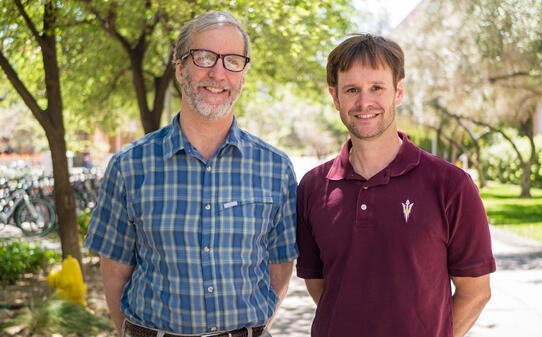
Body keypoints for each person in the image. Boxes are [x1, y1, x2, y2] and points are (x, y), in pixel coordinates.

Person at [84, 11, 298, 337]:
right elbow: (114, 275)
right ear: (180, 67)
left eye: (233, 60)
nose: (218, 72)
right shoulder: (129, 166)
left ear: (243, 74)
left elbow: (280, 269)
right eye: (204, 57)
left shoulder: (275, 168)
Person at [296, 34, 496, 337]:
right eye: (352, 90)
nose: (365, 102)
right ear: (335, 97)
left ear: (398, 92)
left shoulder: (451, 185)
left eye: (377, 88)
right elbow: (320, 285)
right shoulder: (313, 187)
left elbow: (476, 291)